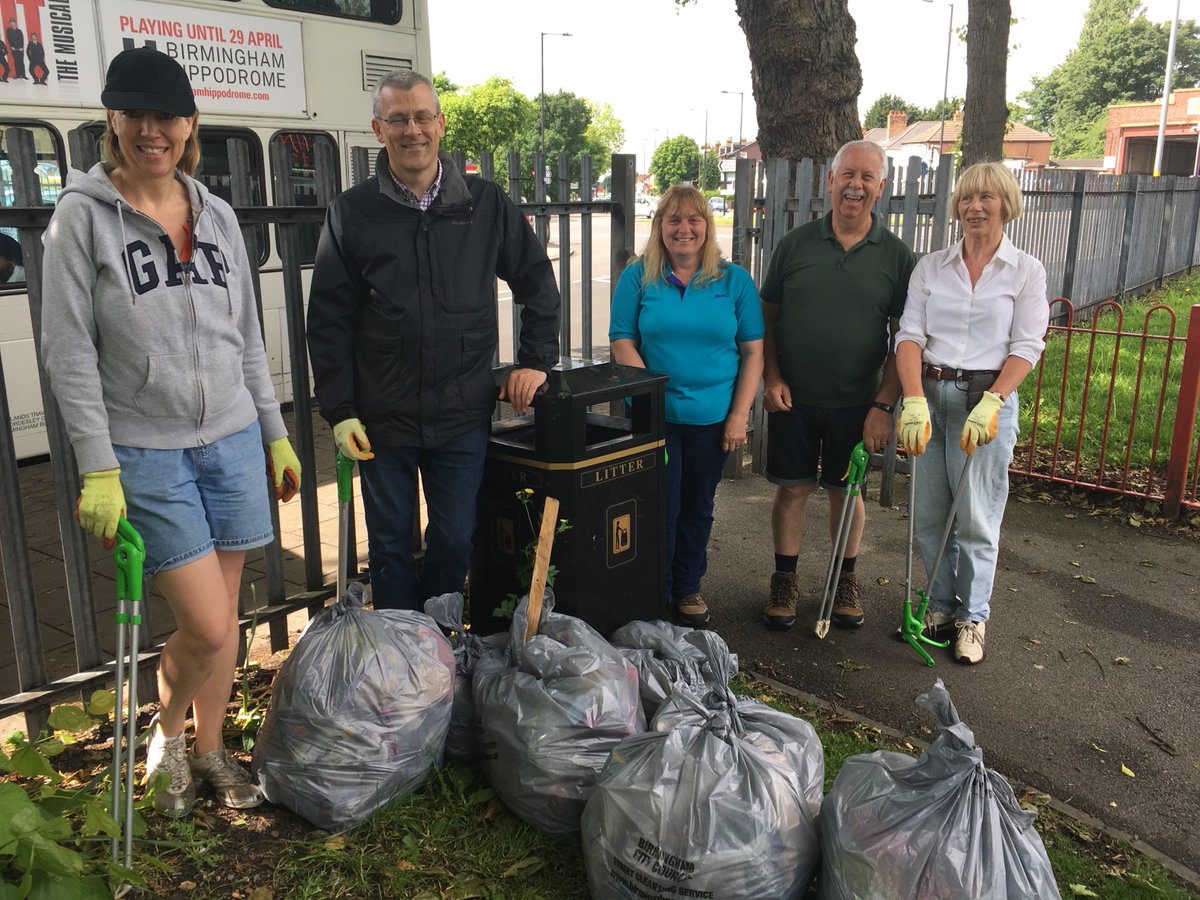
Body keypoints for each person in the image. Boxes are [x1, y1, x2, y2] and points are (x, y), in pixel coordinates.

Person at [40, 47, 301, 816]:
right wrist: (97, 464)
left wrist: (274, 431)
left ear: (191, 123)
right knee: (209, 625)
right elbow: (68, 351)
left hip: (233, 440)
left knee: (226, 620)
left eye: (168, 116)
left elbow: (245, 338)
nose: (152, 130)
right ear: (113, 121)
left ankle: (211, 748)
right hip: (146, 452)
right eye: (137, 115)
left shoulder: (215, 214)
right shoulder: (81, 218)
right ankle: (167, 733)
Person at [307, 70, 559, 612]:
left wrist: (536, 360)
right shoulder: (352, 213)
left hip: (460, 413)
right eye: (398, 119)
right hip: (383, 418)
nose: (412, 130)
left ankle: (440, 643)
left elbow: (537, 280)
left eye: (422, 117)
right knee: (390, 548)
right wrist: (340, 410)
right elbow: (328, 318)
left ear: (441, 124)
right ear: (378, 129)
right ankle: (402, 650)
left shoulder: (485, 204)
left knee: (453, 539)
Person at [895, 161, 1048, 665]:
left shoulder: (1025, 271)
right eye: (966, 197)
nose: (974, 207)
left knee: (977, 518)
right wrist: (912, 398)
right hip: (929, 398)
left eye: (986, 197)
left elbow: (1027, 345)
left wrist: (995, 400)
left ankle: (973, 617)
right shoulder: (932, 267)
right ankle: (940, 605)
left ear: (1006, 204)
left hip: (985, 401)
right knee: (929, 516)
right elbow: (910, 335)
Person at [760, 140, 915, 631]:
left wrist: (884, 405)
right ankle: (785, 580)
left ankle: (844, 581)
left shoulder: (897, 257)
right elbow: (766, 319)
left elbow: (905, 339)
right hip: (793, 398)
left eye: (867, 177)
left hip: (857, 403)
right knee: (792, 490)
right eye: (848, 174)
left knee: (847, 493)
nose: (856, 185)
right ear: (830, 181)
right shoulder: (795, 245)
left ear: (881, 188)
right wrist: (771, 376)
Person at [609, 183, 764, 626]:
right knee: (659, 507)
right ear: (659, 226)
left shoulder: (734, 280)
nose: (684, 228)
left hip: (712, 419)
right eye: (673, 219)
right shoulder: (638, 277)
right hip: (654, 417)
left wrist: (739, 416)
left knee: (697, 505)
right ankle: (653, 590)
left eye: (694, 219)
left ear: (707, 226)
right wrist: (650, 398)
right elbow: (622, 340)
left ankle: (687, 586)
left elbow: (753, 351)